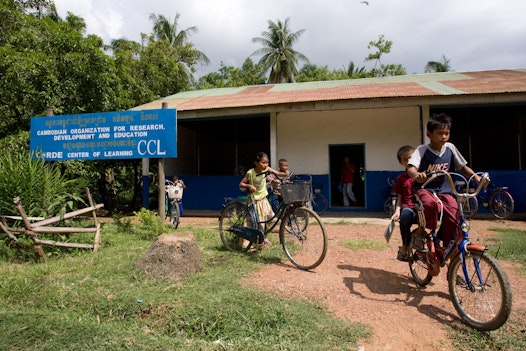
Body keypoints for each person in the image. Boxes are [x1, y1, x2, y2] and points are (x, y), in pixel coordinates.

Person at [407, 113, 481, 252]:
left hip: (445, 190)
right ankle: (421, 232)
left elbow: (463, 167)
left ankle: (446, 243)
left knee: (454, 213)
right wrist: (417, 175)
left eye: (447, 133)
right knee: (430, 204)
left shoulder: (450, 148)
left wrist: (476, 177)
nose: (444, 137)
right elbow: (410, 168)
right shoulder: (422, 150)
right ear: (429, 134)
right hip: (424, 189)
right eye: (440, 133)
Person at [239, 152, 288, 247]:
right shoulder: (250, 172)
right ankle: (254, 242)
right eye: (263, 162)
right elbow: (241, 184)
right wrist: (249, 185)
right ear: (256, 163)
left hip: (263, 200)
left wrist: (285, 174)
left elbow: (277, 173)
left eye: (267, 163)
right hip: (254, 200)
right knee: (257, 222)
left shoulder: (267, 169)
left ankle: (262, 238)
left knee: (269, 219)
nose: (266, 165)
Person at [390, 145, 418, 261]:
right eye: (405, 160)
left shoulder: (422, 175)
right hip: (408, 207)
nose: (408, 161)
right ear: (401, 162)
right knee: (405, 216)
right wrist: (397, 211)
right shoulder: (401, 179)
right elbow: (400, 198)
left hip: (422, 206)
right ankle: (405, 245)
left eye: (411, 158)